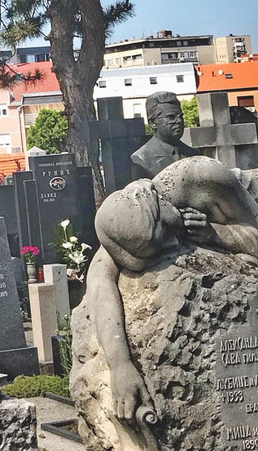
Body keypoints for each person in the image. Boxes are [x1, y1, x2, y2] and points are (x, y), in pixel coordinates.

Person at [86, 156, 258, 428]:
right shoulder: (127, 219)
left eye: (165, 233)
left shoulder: (202, 177)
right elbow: (98, 284)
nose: (173, 245)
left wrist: (216, 235)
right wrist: (120, 365)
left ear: (160, 200)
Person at [129, 91, 197, 180]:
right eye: (171, 117)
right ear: (153, 123)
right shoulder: (141, 159)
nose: (179, 121)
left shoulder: (194, 154)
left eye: (181, 116)